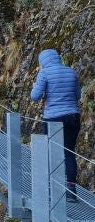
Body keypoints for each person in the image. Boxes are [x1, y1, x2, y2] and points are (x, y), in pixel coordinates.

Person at [31, 49, 82, 200]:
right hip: (72, 116)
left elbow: (35, 97)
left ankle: (53, 189)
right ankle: (71, 190)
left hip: (53, 118)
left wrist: (36, 85)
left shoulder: (44, 73)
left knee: (52, 152)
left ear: (43, 61)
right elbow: (78, 95)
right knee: (69, 152)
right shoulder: (71, 72)